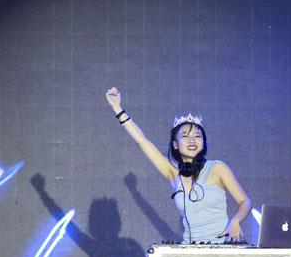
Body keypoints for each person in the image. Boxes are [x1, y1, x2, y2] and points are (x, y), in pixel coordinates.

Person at [105, 87, 252, 243]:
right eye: (185, 136)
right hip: (190, 250)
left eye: (197, 136)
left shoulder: (217, 168)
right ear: (175, 144)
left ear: (203, 142)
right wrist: (117, 108)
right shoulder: (173, 173)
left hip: (222, 247)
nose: (192, 140)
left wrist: (235, 220)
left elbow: (245, 202)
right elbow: (142, 141)